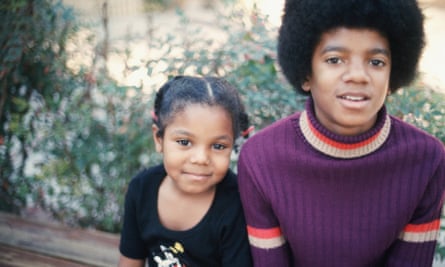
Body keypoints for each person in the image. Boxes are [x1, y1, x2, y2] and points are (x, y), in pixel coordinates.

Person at [237, 0, 445, 266]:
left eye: (376, 61)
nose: (358, 76)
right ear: (306, 73)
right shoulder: (261, 160)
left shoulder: (426, 160)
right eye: (335, 60)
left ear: (394, 75)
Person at [119, 76, 253, 267]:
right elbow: (130, 261)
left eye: (218, 146)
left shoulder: (237, 204)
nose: (200, 158)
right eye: (184, 142)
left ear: (232, 145)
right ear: (159, 140)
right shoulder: (142, 189)